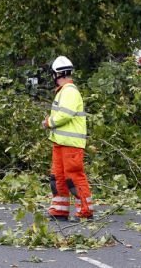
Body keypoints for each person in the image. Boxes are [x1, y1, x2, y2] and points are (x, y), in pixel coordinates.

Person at [41, 56, 93, 220]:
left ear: (57, 74)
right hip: (60, 143)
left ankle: (85, 211)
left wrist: (48, 122)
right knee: (57, 178)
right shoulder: (64, 91)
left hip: (71, 144)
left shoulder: (70, 91)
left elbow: (65, 114)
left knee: (74, 177)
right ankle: (59, 210)